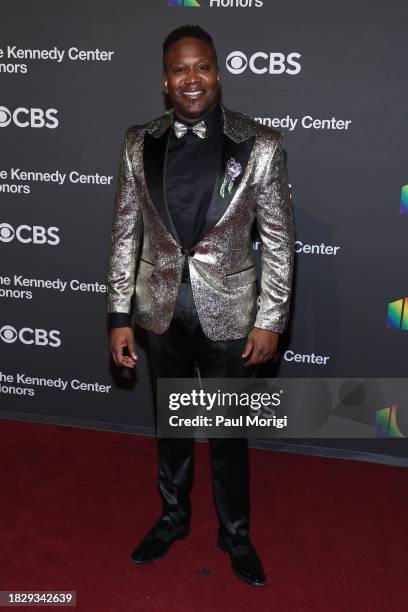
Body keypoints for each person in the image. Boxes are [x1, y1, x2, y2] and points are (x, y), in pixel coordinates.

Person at [107, 24, 295, 587]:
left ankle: (235, 536)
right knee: (172, 427)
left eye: (203, 67)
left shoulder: (259, 144)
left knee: (225, 433)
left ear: (218, 72)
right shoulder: (138, 141)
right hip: (160, 310)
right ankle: (172, 519)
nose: (193, 79)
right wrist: (119, 315)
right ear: (165, 81)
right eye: (180, 70)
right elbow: (124, 234)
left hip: (230, 314)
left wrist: (270, 318)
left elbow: (280, 242)